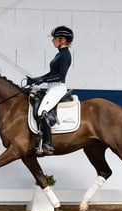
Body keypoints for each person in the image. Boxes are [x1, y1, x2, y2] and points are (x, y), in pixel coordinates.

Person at [27, 25, 73, 156]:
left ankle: (48, 144)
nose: (52, 40)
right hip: (51, 87)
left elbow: (61, 76)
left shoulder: (65, 55)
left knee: (42, 111)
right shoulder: (59, 54)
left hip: (58, 88)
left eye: (54, 38)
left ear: (62, 40)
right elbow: (51, 73)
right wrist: (37, 78)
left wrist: (42, 81)